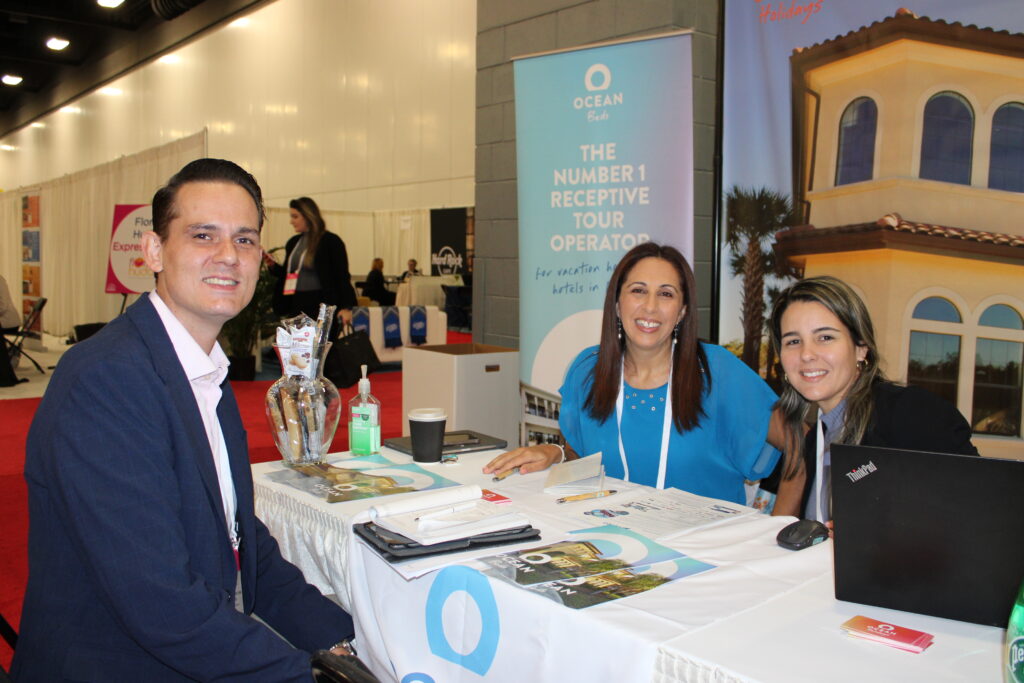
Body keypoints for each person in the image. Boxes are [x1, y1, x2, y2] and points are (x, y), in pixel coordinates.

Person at [12, 159, 365, 681]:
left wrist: (346, 639)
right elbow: (159, 602)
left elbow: (244, 544)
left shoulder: (203, 372)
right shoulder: (107, 379)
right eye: (204, 235)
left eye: (245, 240)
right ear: (154, 251)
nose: (228, 256)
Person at [484, 241, 782, 505]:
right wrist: (555, 453)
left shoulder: (717, 370)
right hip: (618, 545)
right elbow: (583, 454)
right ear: (617, 303)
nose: (650, 307)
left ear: (681, 312)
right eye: (638, 291)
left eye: (666, 294)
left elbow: (801, 446)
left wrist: (782, 535)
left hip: (708, 553)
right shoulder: (587, 370)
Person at [762, 276, 978, 521]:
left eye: (825, 337)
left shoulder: (912, 413)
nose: (807, 354)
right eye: (793, 341)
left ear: (861, 347)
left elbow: (980, 510)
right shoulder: (814, 442)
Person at [268, 196, 356, 324]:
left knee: (320, 343)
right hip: (296, 303)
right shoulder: (293, 243)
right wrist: (273, 266)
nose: (291, 221)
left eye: (295, 216)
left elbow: (342, 276)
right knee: (298, 342)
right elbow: (289, 274)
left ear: (308, 216)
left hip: (321, 305)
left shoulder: (330, 241)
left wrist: (346, 307)